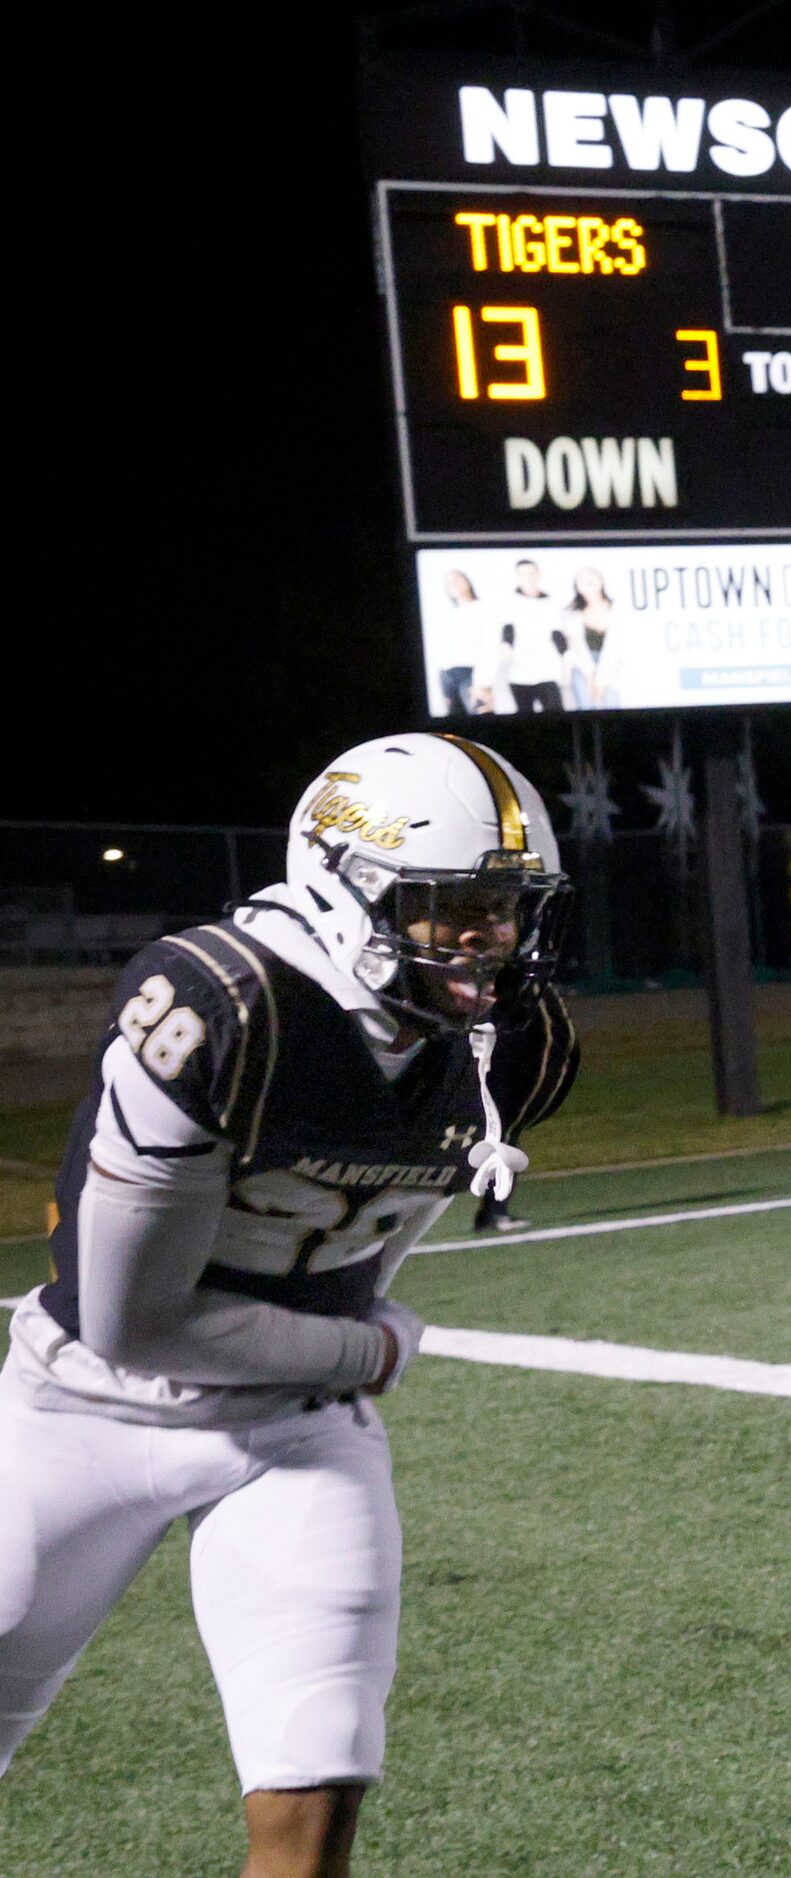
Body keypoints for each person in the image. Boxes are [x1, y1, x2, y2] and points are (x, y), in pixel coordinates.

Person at [0, 733, 577, 1877]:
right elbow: (133, 1321)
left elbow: (379, 1217)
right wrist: (369, 1349)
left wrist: (349, 1351)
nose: (489, 939)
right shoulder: (227, 1008)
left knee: (314, 1797)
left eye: (507, 906)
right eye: (450, 903)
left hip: (293, 1430)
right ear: (342, 881)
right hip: (84, 1409)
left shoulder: (520, 1046)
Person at [499, 561, 565, 714]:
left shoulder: (551, 602)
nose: (528, 578)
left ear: (538, 574)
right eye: (523, 574)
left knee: (556, 713)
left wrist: (565, 654)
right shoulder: (509, 601)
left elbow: (556, 632)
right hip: (518, 671)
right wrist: (506, 645)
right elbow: (507, 629)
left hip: (547, 669)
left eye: (532, 573)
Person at [432, 568, 488, 718]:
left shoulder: (483, 609)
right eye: (449, 583)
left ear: (467, 582)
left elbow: (489, 647)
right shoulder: (449, 614)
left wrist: (482, 682)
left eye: (457, 579)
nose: (454, 584)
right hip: (447, 675)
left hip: (470, 674)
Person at [564, 568, 614, 710]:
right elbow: (575, 647)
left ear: (601, 580)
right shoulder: (571, 615)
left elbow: (616, 648)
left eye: (592, 577)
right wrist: (591, 675)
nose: (589, 581)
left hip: (612, 670)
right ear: (578, 587)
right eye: (583, 579)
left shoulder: (617, 610)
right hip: (583, 669)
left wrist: (600, 678)